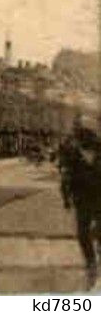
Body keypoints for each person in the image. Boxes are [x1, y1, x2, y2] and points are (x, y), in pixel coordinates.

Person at [68, 120, 101, 289]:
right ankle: (91, 264)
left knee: (99, 232)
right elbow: (69, 179)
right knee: (82, 234)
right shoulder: (75, 157)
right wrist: (68, 197)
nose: (85, 153)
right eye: (81, 149)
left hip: (99, 201)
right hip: (82, 201)